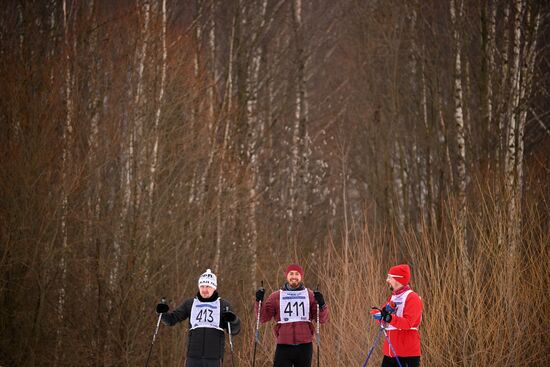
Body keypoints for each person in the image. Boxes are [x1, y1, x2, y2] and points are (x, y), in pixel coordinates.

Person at [156, 269, 240, 367]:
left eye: (208, 286)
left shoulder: (223, 305)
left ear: (214, 288)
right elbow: (171, 320)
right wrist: (161, 313)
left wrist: (234, 320)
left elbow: (234, 331)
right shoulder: (190, 304)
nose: (204, 290)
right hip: (193, 357)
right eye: (202, 286)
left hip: (214, 358)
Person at [255, 264, 329, 367]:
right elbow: (263, 317)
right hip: (284, 345)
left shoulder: (310, 295)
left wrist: (322, 304)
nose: (294, 277)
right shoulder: (276, 296)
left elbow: (321, 319)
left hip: (304, 345)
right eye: (291, 274)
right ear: (287, 276)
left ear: (301, 276)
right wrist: (259, 301)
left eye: (297, 274)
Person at [371, 264, 422, 367]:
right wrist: (379, 315)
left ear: (398, 279)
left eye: (390, 277)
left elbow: (408, 323)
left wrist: (388, 317)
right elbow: (386, 322)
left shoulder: (412, 297)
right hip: (390, 352)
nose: (387, 280)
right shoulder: (393, 297)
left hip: (406, 354)